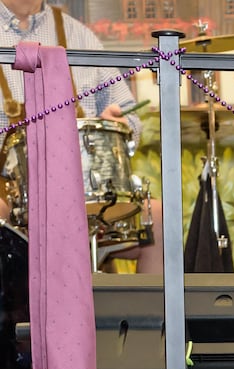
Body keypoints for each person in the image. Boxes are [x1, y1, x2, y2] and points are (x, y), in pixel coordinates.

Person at [0, 0, 164, 273]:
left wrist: (121, 121)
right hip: (9, 197)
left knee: (156, 217)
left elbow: (130, 118)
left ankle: (149, 317)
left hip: (83, 195)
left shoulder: (80, 35)